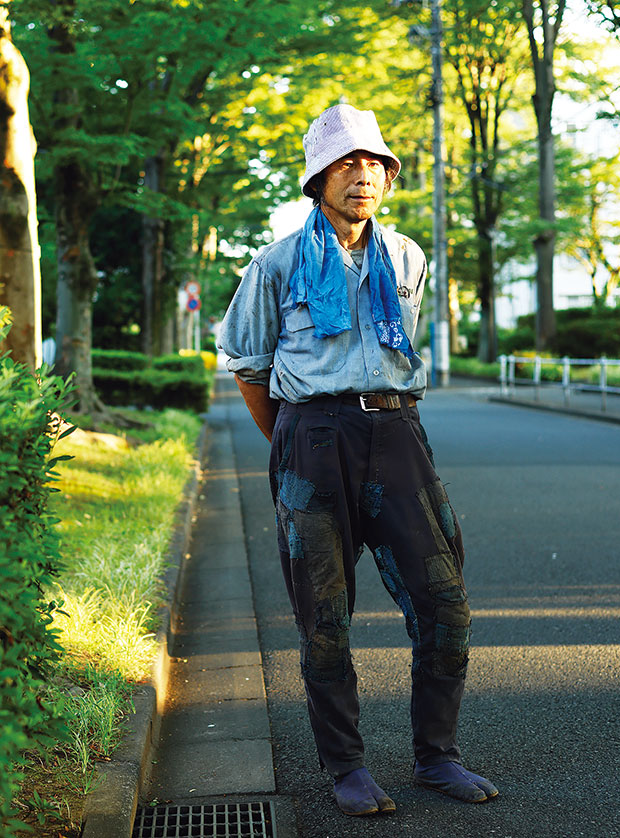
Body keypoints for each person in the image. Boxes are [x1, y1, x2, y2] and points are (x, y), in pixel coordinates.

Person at [218, 104, 497, 817]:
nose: (363, 176)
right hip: (312, 441)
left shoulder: (407, 258)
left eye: (375, 163)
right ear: (318, 179)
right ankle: (345, 766)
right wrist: (295, 440)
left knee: (445, 606)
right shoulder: (275, 264)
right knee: (324, 616)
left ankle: (438, 756)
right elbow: (250, 368)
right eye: (347, 163)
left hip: (399, 434)